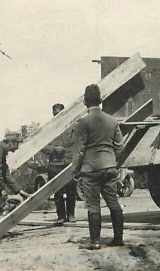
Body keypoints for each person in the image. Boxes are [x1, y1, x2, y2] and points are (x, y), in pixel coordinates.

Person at [72, 84, 126, 250]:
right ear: (101, 100)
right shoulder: (111, 120)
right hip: (109, 168)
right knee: (114, 203)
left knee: (93, 206)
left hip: (90, 169)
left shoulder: (83, 122)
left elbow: (79, 150)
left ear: (85, 101)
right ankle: (118, 239)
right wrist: (114, 163)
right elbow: (120, 146)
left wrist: (76, 169)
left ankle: (95, 242)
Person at [42, 103, 76, 224]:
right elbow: (42, 146)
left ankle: (71, 214)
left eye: (60, 113)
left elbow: (78, 144)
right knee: (57, 192)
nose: (58, 116)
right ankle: (61, 216)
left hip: (68, 163)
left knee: (71, 190)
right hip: (54, 165)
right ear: (53, 115)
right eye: (56, 114)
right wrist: (54, 149)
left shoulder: (73, 127)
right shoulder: (47, 129)